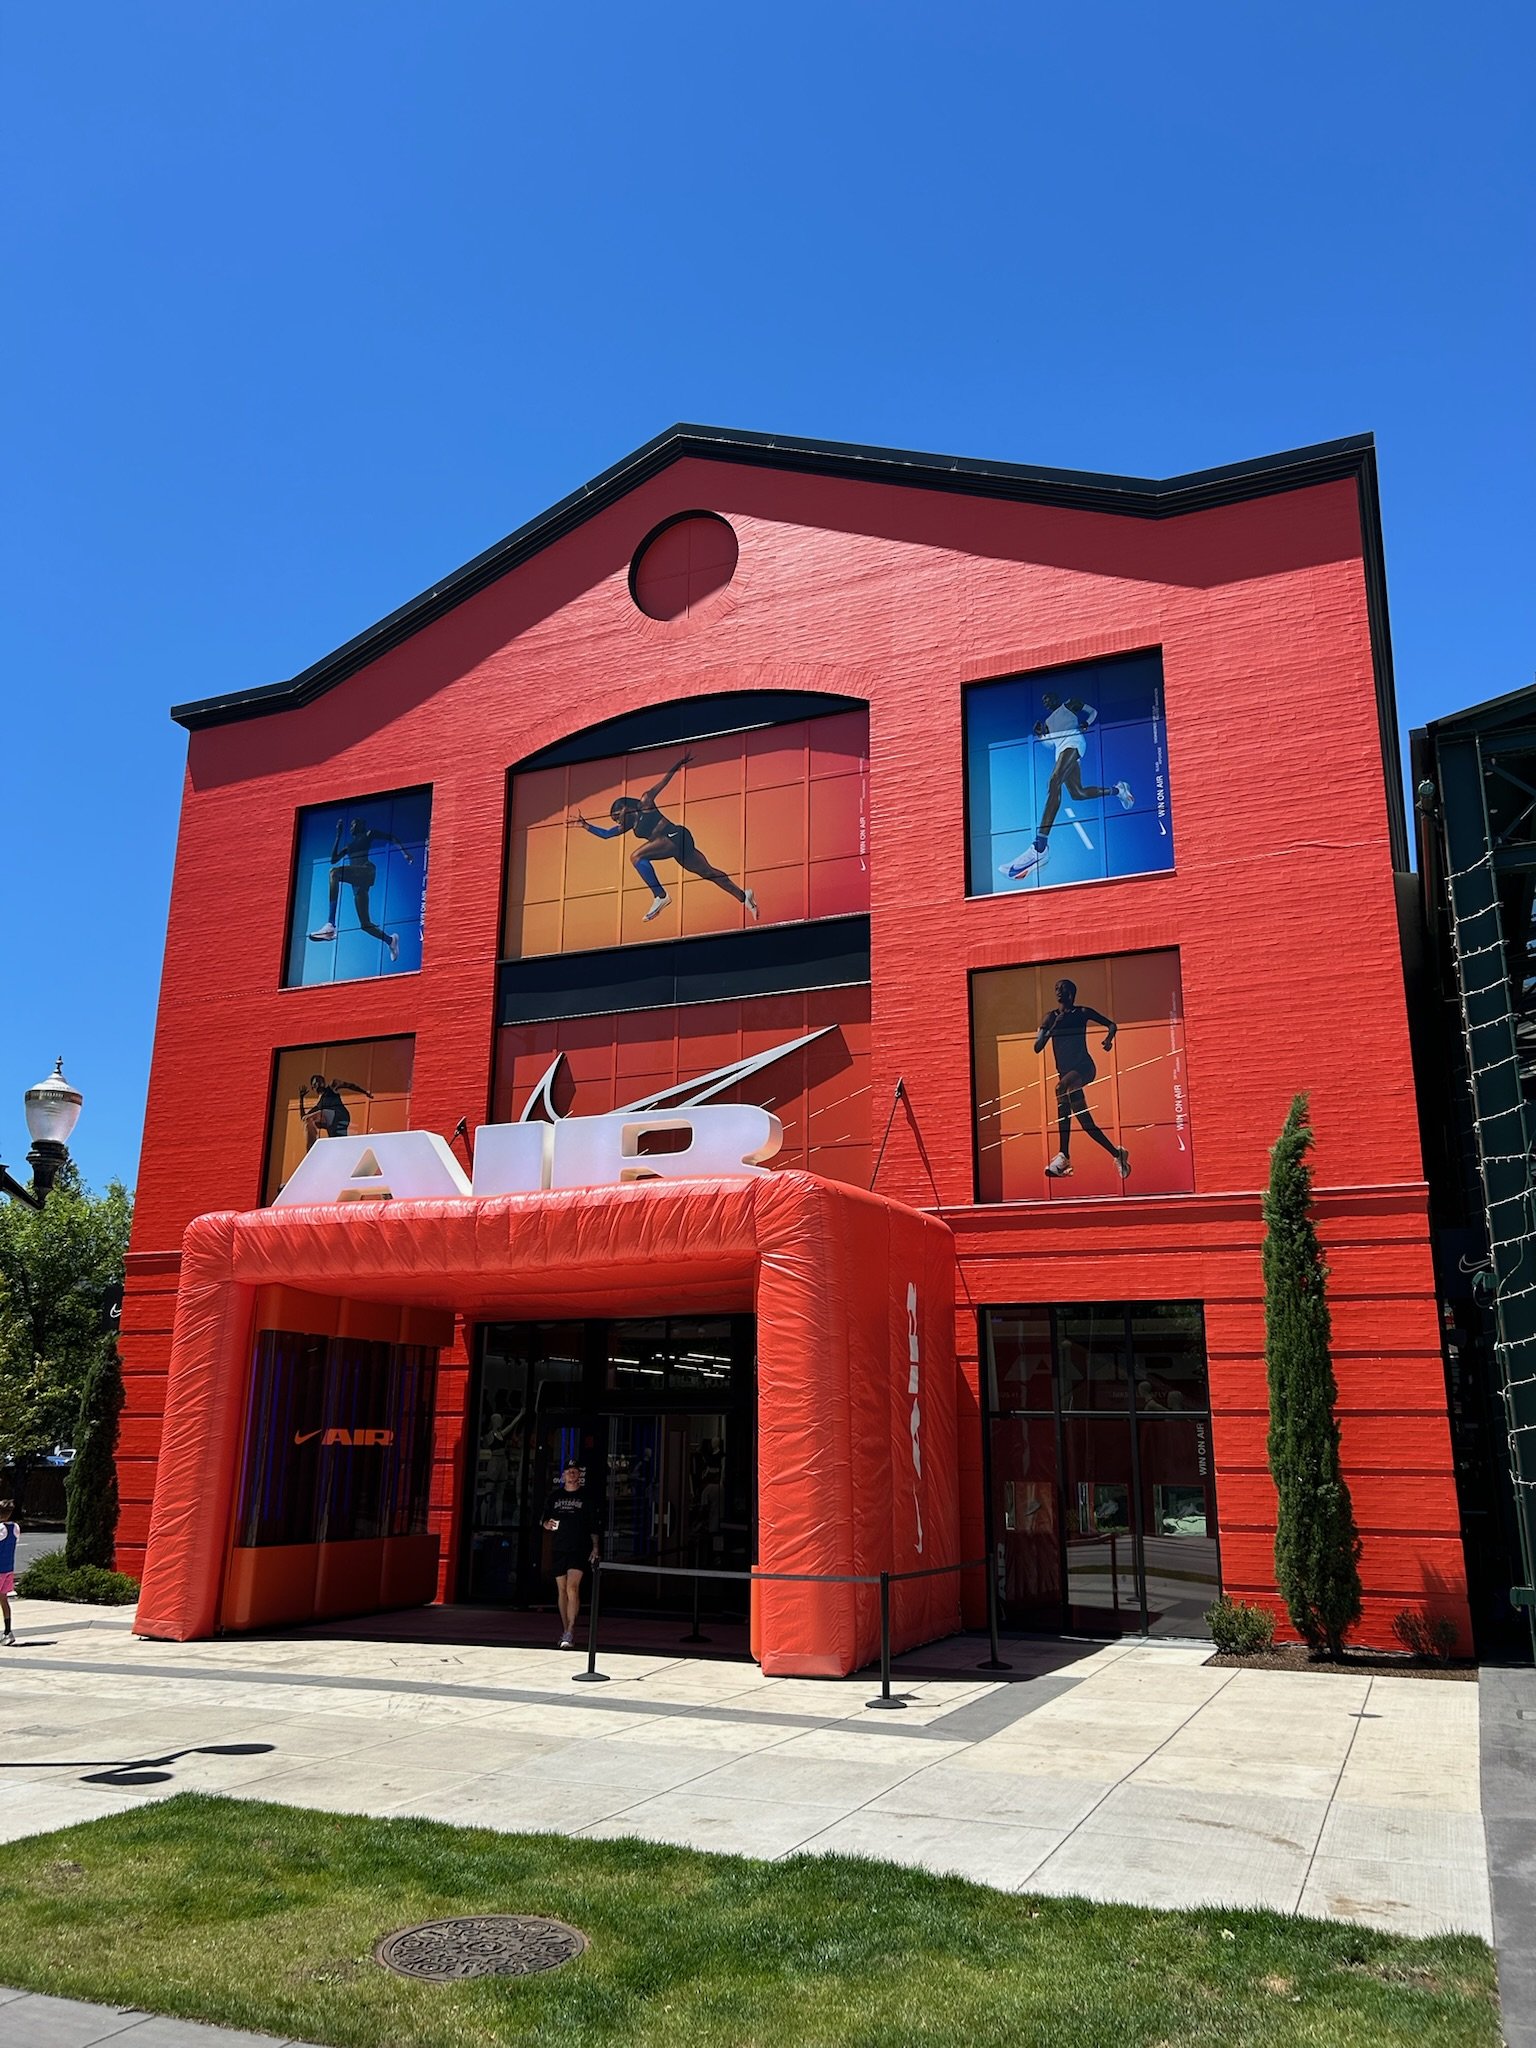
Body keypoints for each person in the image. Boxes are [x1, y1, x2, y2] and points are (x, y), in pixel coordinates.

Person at [570, 751, 759, 924]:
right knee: (708, 873)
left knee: (636, 856)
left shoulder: (645, 802)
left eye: (617, 816)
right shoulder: (628, 824)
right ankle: (744, 896)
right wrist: (586, 826)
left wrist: (678, 764)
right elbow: (606, 834)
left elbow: (664, 782)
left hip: (676, 835)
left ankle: (660, 896)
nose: (618, 821)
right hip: (675, 846)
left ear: (625, 808)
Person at [1000, 693, 1134, 882]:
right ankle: (1119, 790)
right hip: (1061, 752)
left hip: (1074, 744)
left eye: (1048, 698)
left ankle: (1040, 847)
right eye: (1044, 701)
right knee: (1078, 793)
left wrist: (1087, 723)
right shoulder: (1047, 721)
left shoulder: (1069, 704)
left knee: (1054, 782)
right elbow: (1050, 743)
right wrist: (1040, 735)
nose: (1046, 702)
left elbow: (1092, 712)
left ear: (1055, 698)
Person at [1035, 978, 1131, 1182]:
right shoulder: (1050, 1017)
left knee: (1060, 1087)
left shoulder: (1082, 1013)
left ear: (1071, 993)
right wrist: (1053, 1028)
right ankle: (1118, 1154)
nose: (1058, 991)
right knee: (1087, 1124)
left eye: (1062, 989)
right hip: (1068, 1077)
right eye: (1056, 988)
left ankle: (1063, 1156)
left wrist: (1108, 1040)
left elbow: (1112, 1025)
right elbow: (1037, 1047)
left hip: (1084, 1068)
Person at [308, 814, 415, 962]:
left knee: (334, 873)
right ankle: (391, 940)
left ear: (360, 825)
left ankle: (330, 925)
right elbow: (333, 859)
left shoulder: (368, 834)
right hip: (357, 883)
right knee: (365, 925)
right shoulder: (349, 847)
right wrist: (338, 835)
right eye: (350, 825)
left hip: (366, 871)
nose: (351, 827)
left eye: (353, 824)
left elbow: (391, 837)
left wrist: (405, 853)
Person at [542, 1460, 600, 1649]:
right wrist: (545, 1524)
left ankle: (571, 1630)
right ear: (564, 1475)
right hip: (559, 1546)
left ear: (579, 1475)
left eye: (575, 1471)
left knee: (572, 1588)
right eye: (568, 1471)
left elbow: (593, 1524)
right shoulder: (555, 1496)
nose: (572, 1474)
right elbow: (544, 1518)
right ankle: (565, 1629)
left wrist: (595, 1546)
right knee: (561, 1589)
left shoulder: (586, 1497)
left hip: (579, 1546)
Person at [298, 1073, 373, 1150]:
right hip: (334, 1123)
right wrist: (301, 1099)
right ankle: (313, 1150)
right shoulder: (318, 1105)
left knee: (313, 1117)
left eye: (320, 1081)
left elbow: (349, 1085)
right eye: (316, 1083)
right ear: (313, 1087)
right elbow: (303, 1118)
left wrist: (365, 1092)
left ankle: (311, 1149)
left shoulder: (331, 1087)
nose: (319, 1084)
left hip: (339, 1114)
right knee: (338, 1145)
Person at [0, 1503, 19, 1645]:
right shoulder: (15, 1528)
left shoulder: (0, 1529)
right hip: (8, 1569)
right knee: (4, 1599)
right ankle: (8, 1631)